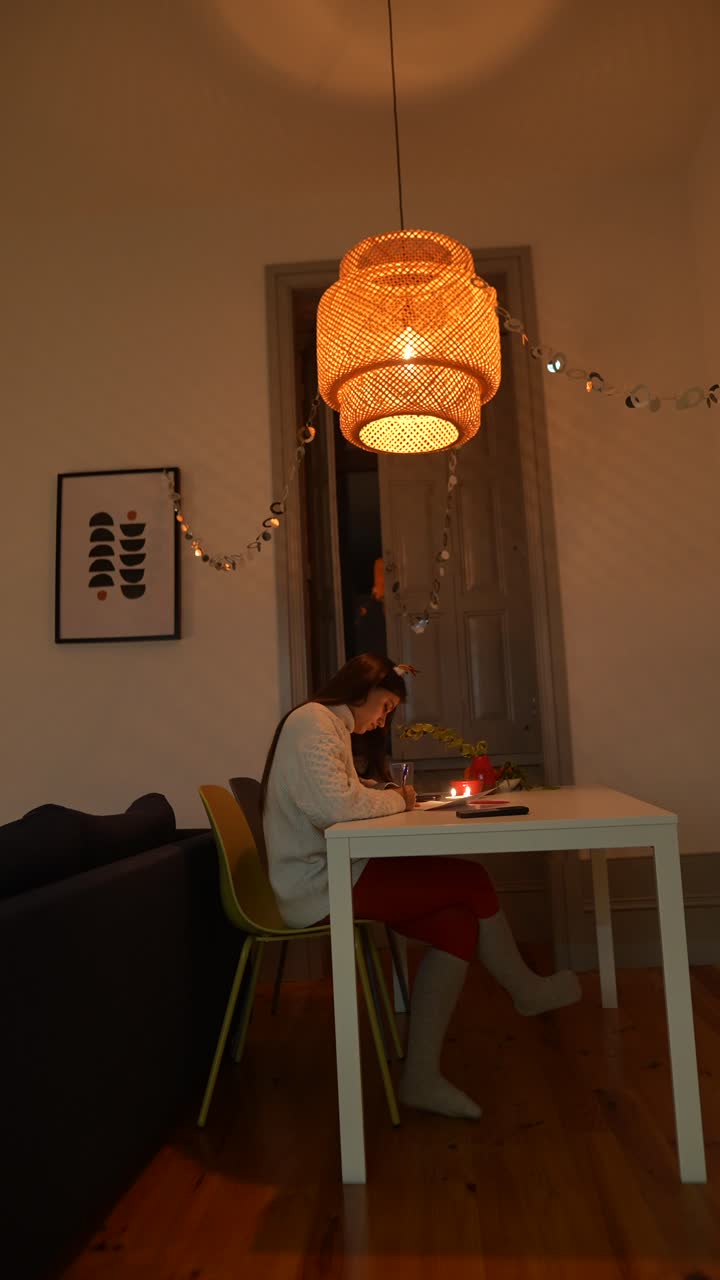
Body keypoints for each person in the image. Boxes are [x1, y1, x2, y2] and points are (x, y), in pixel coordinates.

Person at [261, 653, 581, 1120]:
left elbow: (342, 799)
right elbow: (335, 807)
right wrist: (396, 797)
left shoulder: (327, 726)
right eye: (386, 707)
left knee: (455, 923)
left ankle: (421, 1078)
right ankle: (525, 989)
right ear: (364, 689)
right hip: (317, 886)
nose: (383, 719)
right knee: (470, 878)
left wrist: (386, 796)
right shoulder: (315, 722)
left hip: (331, 872)